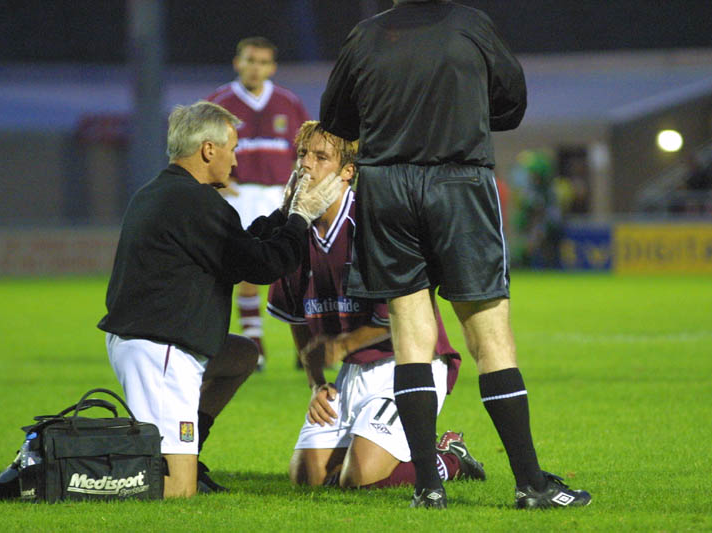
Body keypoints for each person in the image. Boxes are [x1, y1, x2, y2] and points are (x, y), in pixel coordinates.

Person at [320, 0, 591, 509]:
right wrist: (460, 108)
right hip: (458, 180)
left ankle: (427, 485)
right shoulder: (469, 24)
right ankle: (531, 484)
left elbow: (336, 116)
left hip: (387, 186)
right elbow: (513, 101)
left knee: (411, 335)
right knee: (490, 337)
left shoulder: (365, 35)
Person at [98, 101, 342, 498]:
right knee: (177, 490)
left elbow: (240, 246)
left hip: (156, 338)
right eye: (232, 147)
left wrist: (284, 213)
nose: (236, 159)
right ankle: (82, 469)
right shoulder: (195, 203)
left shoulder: (170, 193)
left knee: (241, 355)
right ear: (208, 150)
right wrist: (302, 216)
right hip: (161, 349)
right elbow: (263, 266)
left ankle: (186, 447)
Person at [267, 121, 485, 489]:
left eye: (322, 157)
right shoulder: (293, 228)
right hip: (352, 371)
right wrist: (316, 382)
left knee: (358, 477)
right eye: (304, 154)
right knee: (307, 477)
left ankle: (450, 458)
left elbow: (402, 315)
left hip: (408, 362)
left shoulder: (373, 222)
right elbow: (294, 314)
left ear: (348, 172)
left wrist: (341, 345)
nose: (307, 165)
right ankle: (377, 444)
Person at [208, 36, 310, 371]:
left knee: (299, 273)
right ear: (238, 62)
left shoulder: (288, 102)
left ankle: (307, 347)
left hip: (280, 195)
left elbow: (304, 152)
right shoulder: (218, 104)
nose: (256, 68)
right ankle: (255, 349)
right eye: (251, 60)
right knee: (248, 273)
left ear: (273, 67)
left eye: (263, 62)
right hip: (240, 197)